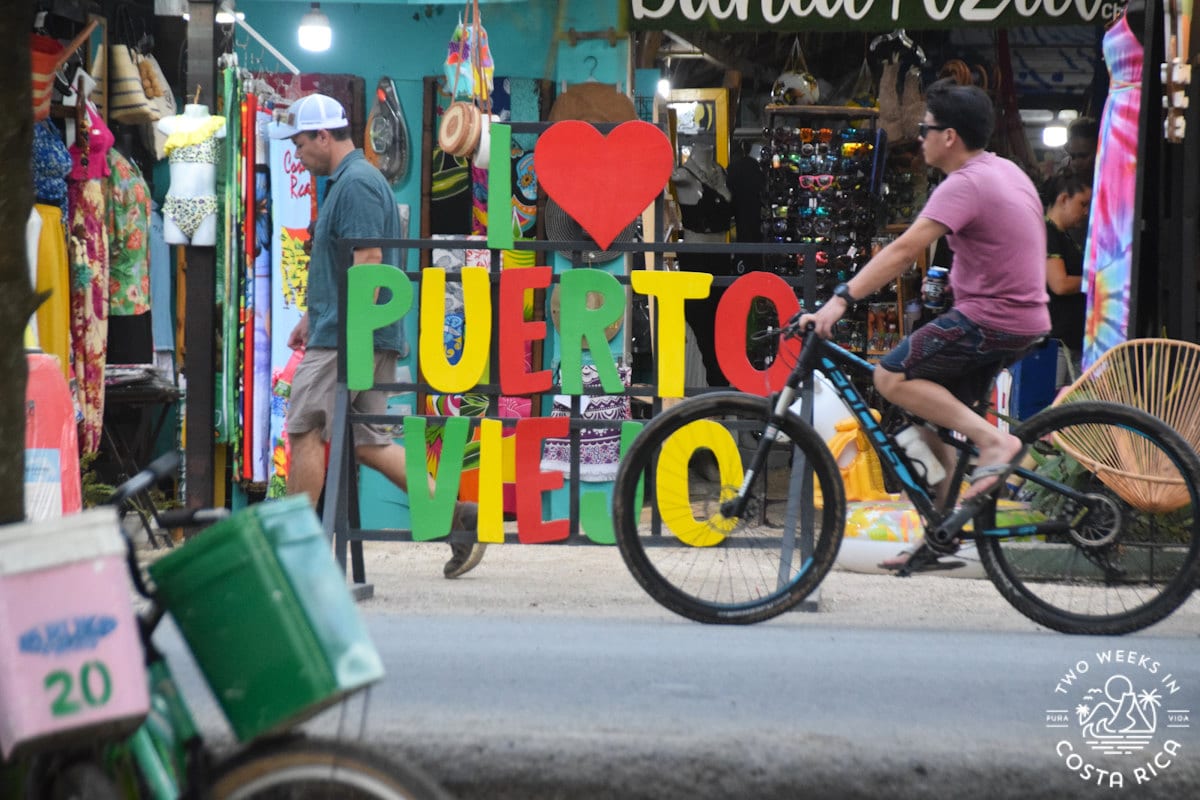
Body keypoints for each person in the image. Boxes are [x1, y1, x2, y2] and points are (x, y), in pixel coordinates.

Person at [798, 79, 1050, 570]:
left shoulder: (966, 183)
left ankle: (995, 442)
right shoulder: (1004, 170)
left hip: (991, 319)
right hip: (1018, 317)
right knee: (920, 414)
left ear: (949, 136)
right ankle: (942, 534)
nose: (919, 138)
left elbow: (904, 249)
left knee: (889, 376)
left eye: (925, 129)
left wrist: (840, 299)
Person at [268, 93, 485, 579]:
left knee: (305, 426)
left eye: (302, 144)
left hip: (348, 337)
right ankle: (457, 518)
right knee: (366, 442)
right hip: (349, 329)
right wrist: (314, 313)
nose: (299, 156)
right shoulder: (350, 181)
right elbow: (350, 265)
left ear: (324, 136)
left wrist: (345, 337)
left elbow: (367, 263)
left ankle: (300, 554)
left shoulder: (357, 185)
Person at [1041, 169, 1093, 386]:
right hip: (1056, 341)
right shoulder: (1046, 232)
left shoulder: (1065, 237)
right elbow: (1059, 284)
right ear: (1063, 199)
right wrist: (1096, 281)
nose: (1086, 211)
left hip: (1071, 339)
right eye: (1082, 204)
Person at [158, 104, 226, 246]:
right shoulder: (168, 123)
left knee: (202, 255)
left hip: (205, 207)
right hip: (174, 206)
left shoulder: (219, 125)